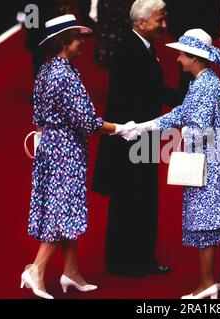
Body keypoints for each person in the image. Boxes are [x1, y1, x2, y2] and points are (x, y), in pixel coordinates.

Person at [122, 28, 220, 299]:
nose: (178, 59)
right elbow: (180, 113)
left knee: (205, 221)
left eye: (182, 54)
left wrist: (181, 134)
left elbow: (197, 129)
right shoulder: (205, 81)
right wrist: (142, 128)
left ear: (195, 57)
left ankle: (207, 284)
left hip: (209, 162)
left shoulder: (204, 85)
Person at [21, 14, 130, 299]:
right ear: (65, 43)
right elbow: (87, 121)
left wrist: (47, 143)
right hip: (65, 152)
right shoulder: (64, 74)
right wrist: (122, 129)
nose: (82, 43)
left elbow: (37, 117)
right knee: (62, 211)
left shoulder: (46, 70)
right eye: (77, 38)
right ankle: (36, 269)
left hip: (50, 148)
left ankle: (71, 271)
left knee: (65, 209)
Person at [92, 0, 180, 277]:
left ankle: (141, 256)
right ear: (141, 23)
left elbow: (152, 88)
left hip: (145, 134)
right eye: (159, 20)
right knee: (129, 199)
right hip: (131, 139)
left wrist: (181, 101)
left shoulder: (142, 45)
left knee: (145, 197)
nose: (164, 25)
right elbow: (136, 97)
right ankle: (123, 261)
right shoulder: (127, 51)